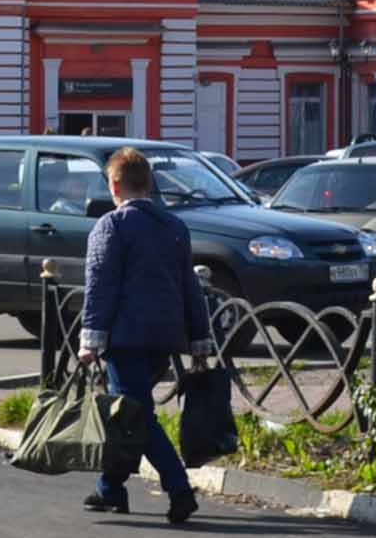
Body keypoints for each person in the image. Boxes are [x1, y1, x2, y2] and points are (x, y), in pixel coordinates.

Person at [75, 146, 214, 525]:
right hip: (166, 336)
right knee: (130, 412)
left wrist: (90, 340)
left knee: (136, 416)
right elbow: (189, 286)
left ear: (114, 186)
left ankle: (179, 488)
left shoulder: (112, 225)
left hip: (125, 337)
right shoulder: (174, 226)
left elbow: (100, 283)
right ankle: (110, 488)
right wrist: (199, 340)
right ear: (148, 184)